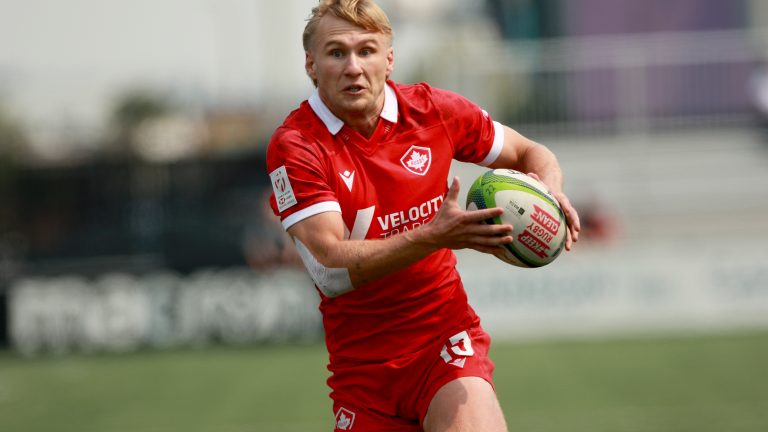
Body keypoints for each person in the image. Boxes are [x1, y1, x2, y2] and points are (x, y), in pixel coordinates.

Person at [266, 1, 580, 430]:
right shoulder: (297, 145)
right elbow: (329, 269)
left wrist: (550, 190)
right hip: (363, 372)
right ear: (312, 65)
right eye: (337, 53)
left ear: (389, 59)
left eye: (367, 51)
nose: (354, 67)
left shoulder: (434, 111)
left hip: (445, 341)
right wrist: (433, 236)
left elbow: (530, 152)